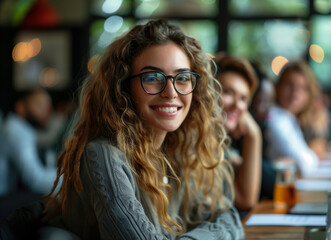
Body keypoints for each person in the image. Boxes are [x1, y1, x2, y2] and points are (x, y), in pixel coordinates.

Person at [41, 19, 243, 239]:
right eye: (152, 77)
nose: (171, 92)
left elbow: (230, 218)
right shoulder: (103, 155)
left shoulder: (177, 153)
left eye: (182, 78)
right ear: (124, 88)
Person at [0, 89, 58, 219]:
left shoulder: (17, 127)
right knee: (46, 203)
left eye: (48, 106)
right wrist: (72, 177)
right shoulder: (16, 130)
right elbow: (35, 180)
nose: (46, 110)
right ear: (20, 107)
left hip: (6, 194)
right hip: (2, 197)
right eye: (39, 105)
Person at [215, 54, 262, 212]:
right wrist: (254, 137)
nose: (237, 105)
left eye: (243, 98)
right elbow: (245, 200)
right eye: (228, 92)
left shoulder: (220, 144)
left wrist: (254, 134)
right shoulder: (193, 141)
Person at [264, 60, 320, 178]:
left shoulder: (289, 118)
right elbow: (305, 165)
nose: (295, 93)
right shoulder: (275, 118)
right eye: (289, 85)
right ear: (277, 87)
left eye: (303, 88)